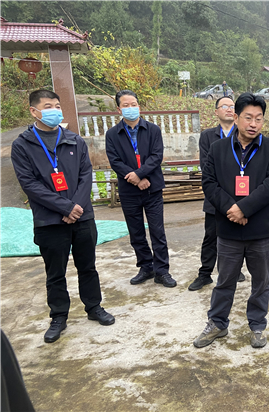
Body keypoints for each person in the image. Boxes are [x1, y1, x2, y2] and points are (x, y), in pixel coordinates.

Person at [11, 89, 115, 344]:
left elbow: (85, 176)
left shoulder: (74, 141)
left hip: (82, 217)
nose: (55, 111)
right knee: (55, 272)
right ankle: (58, 316)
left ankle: (94, 307)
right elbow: (30, 184)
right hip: (49, 220)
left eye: (57, 106)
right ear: (34, 111)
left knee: (87, 267)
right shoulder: (23, 145)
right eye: (48, 106)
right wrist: (64, 208)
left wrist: (76, 207)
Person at [193, 93, 269, 349]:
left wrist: (243, 208)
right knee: (224, 280)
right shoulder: (218, 148)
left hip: (261, 229)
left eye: (259, 119)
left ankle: (257, 325)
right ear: (236, 117)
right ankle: (217, 323)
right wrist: (231, 209)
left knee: (261, 282)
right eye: (248, 117)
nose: (253, 124)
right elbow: (209, 183)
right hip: (228, 227)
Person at [105, 90, 176, 288]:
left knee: (157, 231)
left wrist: (141, 175)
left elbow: (156, 156)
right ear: (119, 109)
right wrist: (136, 179)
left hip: (152, 189)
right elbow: (115, 161)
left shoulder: (153, 130)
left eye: (133, 104)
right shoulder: (112, 134)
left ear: (139, 106)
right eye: (126, 105)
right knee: (136, 232)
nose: (130, 108)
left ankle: (162, 271)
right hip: (129, 191)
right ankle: (146, 267)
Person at [188, 96, 246, 291]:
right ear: (216, 111)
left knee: (236, 236)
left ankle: (234, 270)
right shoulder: (207, 136)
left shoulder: (243, 133)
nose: (229, 109)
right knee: (211, 237)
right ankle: (205, 274)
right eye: (224, 106)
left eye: (232, 106)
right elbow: (206, 166)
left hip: (238, 197)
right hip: (215, 197)